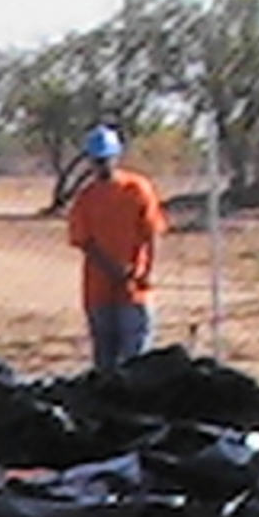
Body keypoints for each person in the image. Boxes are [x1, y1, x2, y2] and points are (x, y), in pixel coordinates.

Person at [67, 125, 167, 371]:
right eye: (96, 161)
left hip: (134, 289)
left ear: (116, 157)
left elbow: (152, 232)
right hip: (99, 289)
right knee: (105, 362)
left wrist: (146, 272)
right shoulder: (86, 197)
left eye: (106, 159)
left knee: (136, 362)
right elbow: (84, 241)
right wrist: (112, 269)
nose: (101, 166)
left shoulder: (137, 189)